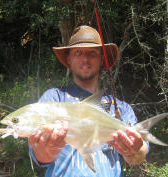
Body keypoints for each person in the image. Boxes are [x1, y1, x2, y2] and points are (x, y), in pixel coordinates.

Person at [28, 25, 148, 177]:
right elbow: (39, 157)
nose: (85, 59)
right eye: (78, 52)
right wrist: (48, 150)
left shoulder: (121, 108)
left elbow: (140, 156)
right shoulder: (53, 99)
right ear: (69, 59)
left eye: (92, 53)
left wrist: (134, 152)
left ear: (102, 59)